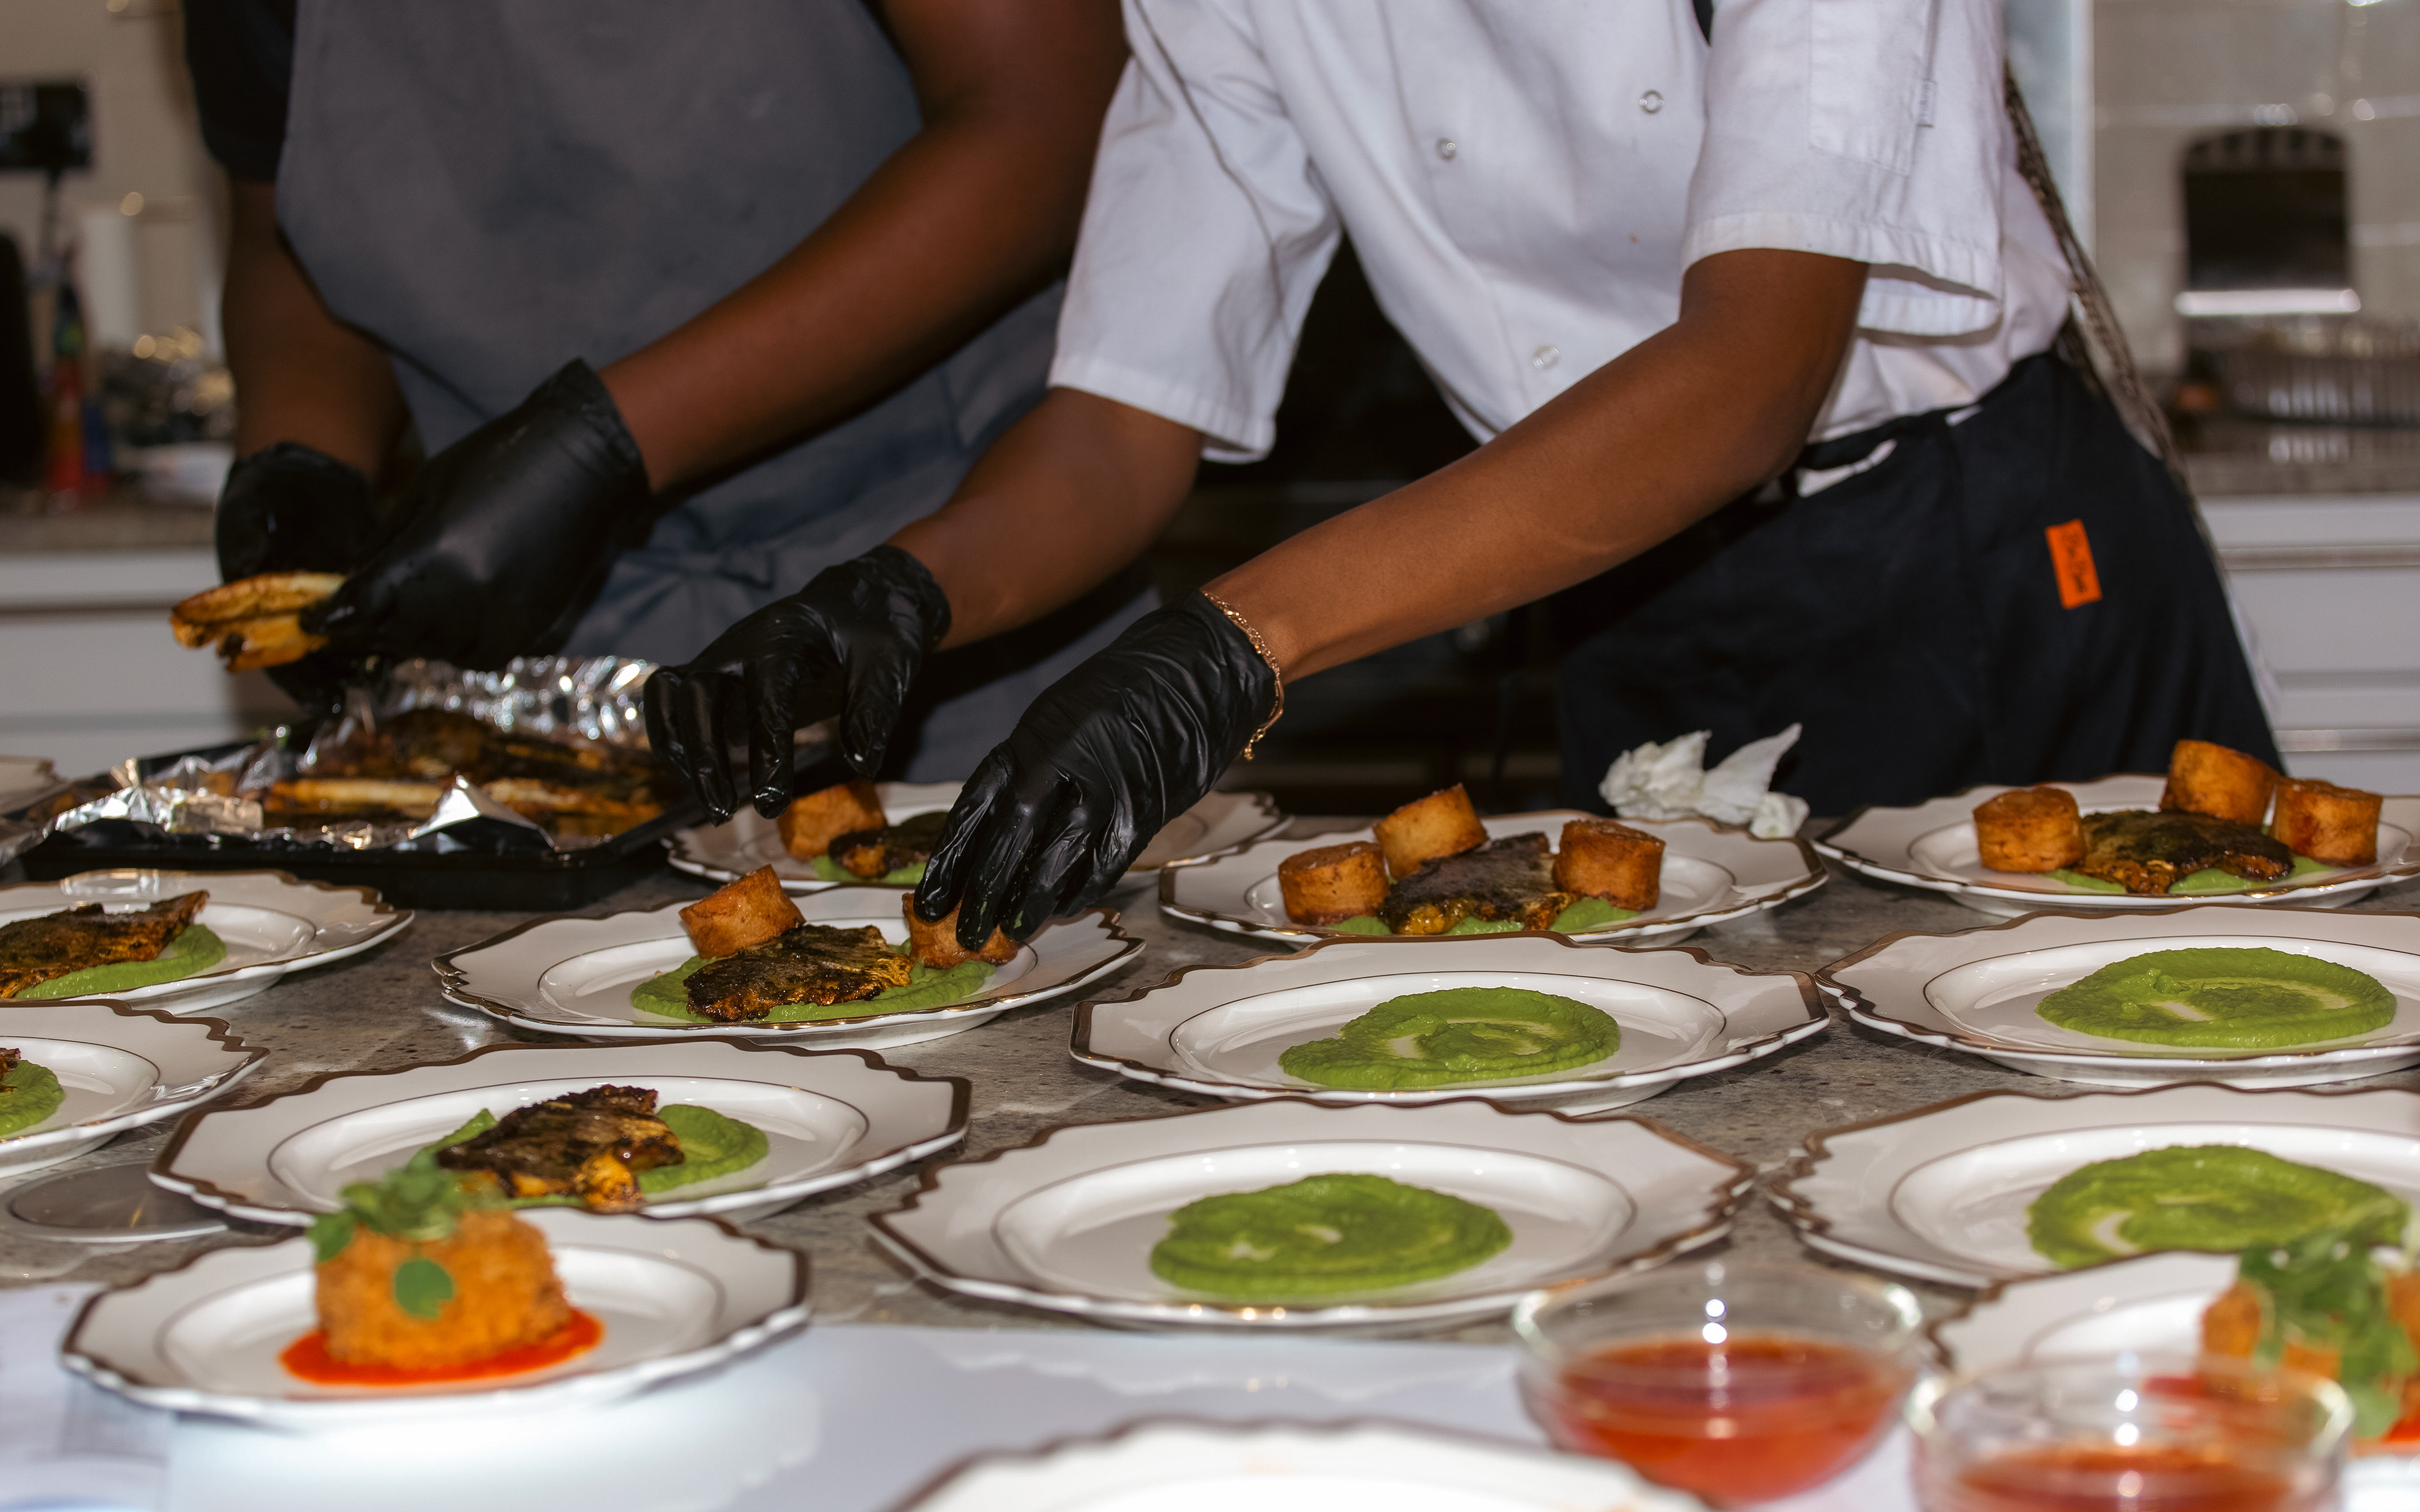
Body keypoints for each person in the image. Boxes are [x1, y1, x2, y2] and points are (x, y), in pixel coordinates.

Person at [648, 0, 2281, 949]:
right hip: (1601, 571)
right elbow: (1120, 419)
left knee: (2149, 1074)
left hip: (1972, 556)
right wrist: (900, 595)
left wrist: (1236, 644)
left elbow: (1750, 375)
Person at [182, 0, 1143, 781]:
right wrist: (302, 460)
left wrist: (606, 443)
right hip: (550, 670)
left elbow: (1045, 119)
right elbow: (286, 223)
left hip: (948, 590)